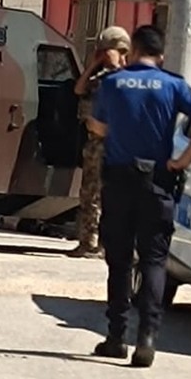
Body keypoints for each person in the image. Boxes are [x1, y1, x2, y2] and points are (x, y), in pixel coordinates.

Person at [89, 24, 191, 368]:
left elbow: (97, 126)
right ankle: (147, 339)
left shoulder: (113, 83)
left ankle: (116, 337)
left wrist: (117, 128)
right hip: (157, 181)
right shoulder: (173, 84)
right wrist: (183, 160)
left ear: (133, 50)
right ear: (161, 55)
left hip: (120, 181)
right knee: (155, 261)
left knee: (121, 260)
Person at [68, 25, 130, 258]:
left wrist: (117, 64)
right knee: (89, 195)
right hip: (95, 145)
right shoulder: (100, 78)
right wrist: (95, 65)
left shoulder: (129, 79)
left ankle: (107, 243)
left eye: (108, 50)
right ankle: (88, 241)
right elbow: (79, 89)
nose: (105, 54)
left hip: (117, 146)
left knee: (113, 198)